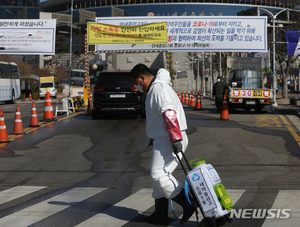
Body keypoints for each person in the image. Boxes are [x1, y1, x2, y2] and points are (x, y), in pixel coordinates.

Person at [130, 64, 195, 225]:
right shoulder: (156, 89)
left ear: (142, 78)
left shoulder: (159, 89)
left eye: (137, 83)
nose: (137, 87)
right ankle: (160, 213)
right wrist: (153, 137)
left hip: (170, 138)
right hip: (163, 138)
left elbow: (169, 113)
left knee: (158, 174)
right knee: (157, 177)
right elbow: (159, 117)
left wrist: (175, 139)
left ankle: (188, 203)